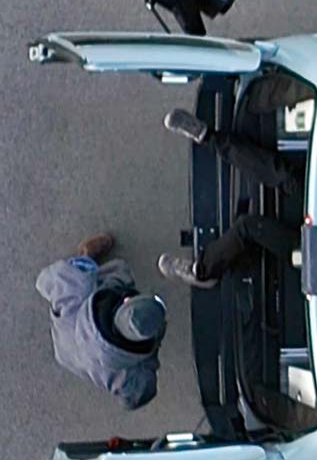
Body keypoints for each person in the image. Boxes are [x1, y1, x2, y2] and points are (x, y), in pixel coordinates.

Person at [156, 108, 300, 288]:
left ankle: (202, 272)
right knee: (283, 175)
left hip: (312, 248)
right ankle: (205, 135)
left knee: (247, 226)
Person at [36, 233, 166, 410]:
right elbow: (135, 398)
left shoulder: (74, 294)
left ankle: (85, 260)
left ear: (126, 302)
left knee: (77, 274)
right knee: (99, 274)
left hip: (67, 345)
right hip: (72, 350)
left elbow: (45, 280)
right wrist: (149, 359)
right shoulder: (126, 376)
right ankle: (85, 256)